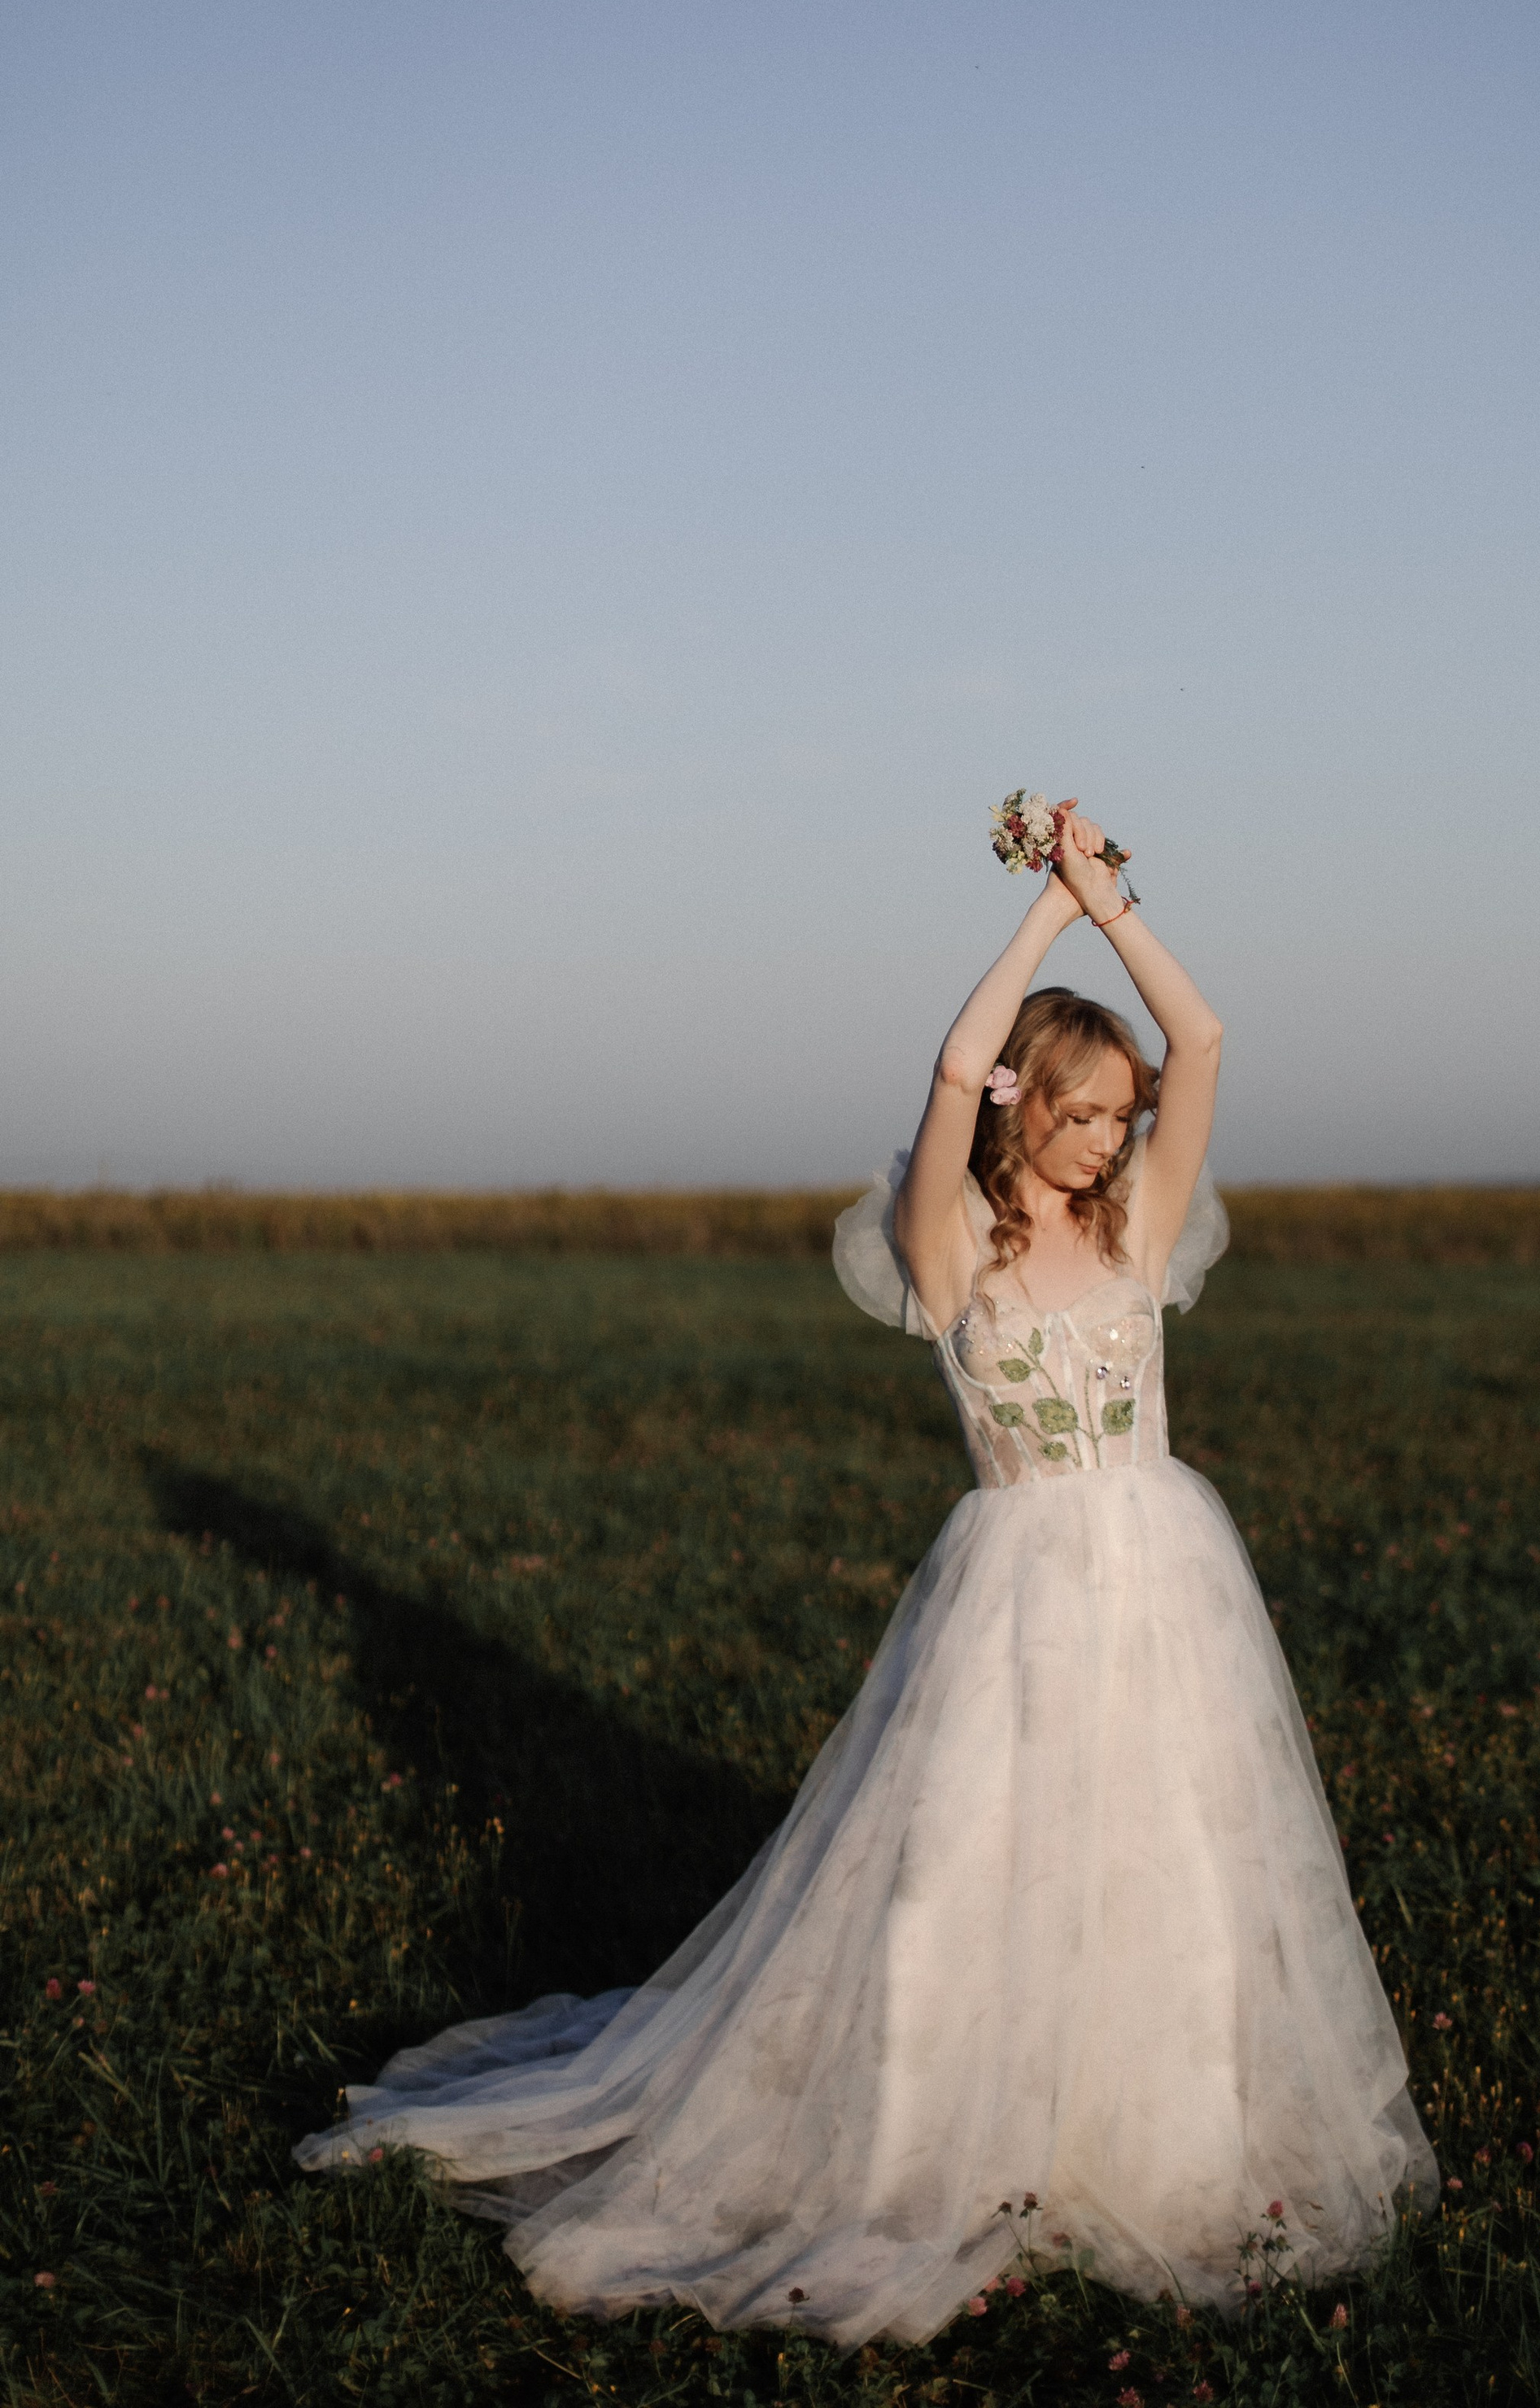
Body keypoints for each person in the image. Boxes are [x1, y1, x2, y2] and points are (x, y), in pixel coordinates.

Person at [295, 805, 1437, 2343]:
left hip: (1165, 1578)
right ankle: (933, 2140)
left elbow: (1210, 1035)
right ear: (1028, 1104)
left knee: (1172, 1852)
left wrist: (1114, 909)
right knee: (971, 1863)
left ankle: (1160, 2147)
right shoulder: (950, 1240)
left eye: (1121, 1116)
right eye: (1084, 1111)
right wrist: (1039, 924)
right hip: (1018, 1594)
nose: (1110, 1138)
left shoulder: (1144, 1224)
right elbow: (956, 1070)